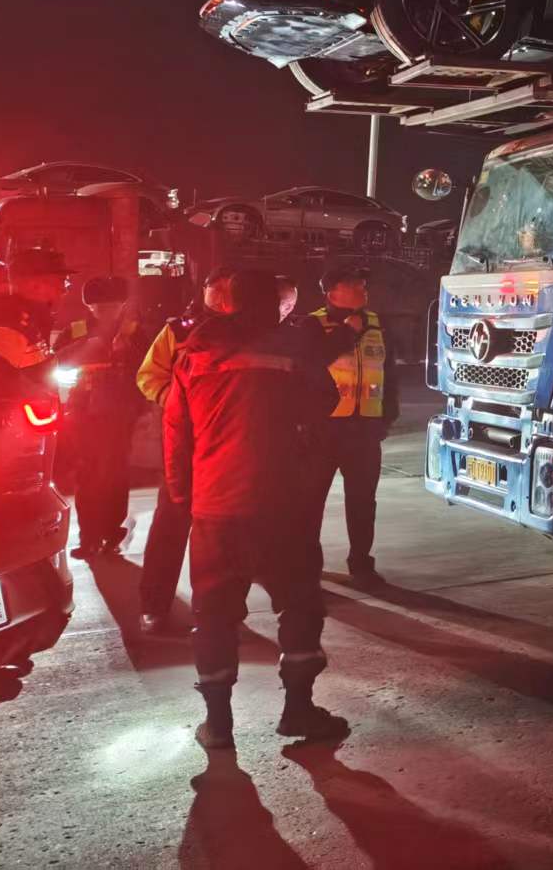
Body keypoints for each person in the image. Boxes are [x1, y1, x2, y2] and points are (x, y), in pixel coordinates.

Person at [164, 268, 343, 750]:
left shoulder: (193, 352)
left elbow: (176, 432)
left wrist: (184, 495)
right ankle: (298, 709)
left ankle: (218, 724)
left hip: (216, 506)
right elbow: (325, 400)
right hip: (283, 502)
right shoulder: (293, 349)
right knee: (299, 604)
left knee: (214, 615)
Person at [133, 266, 236, 635]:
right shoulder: (178, 330)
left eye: (228, 289)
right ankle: (154, 605)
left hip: (229, 444)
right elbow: (148, 376)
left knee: (221, 534)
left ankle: (214, 612)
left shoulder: (249, 330)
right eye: (214, 288)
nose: (221, 297)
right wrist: (177, 404)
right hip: (184, 443)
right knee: (171, 524)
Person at [305, 264, 398, 587]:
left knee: (362, 501)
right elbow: (310, 364)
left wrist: (386, 418)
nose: (362, 289)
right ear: (332, 293)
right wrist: (347, 332)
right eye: (353, 285)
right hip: (324, 430)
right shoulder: (312, 325)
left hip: (365, 431)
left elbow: (390, 374)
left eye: (362, 284)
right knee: (311, 502)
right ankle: (308, 566)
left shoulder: (377, 324)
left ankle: (361, 563)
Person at [56, 277, 146, 559]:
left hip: (120, 413)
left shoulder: (134, 333)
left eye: (113, 306)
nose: (106, 312)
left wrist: (127, 350)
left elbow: (149, 367)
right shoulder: (75, 331)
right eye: (100, 307)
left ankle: (111, 531)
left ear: (123, 305)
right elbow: (55, 361)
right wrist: (86, 347)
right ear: (89, 306)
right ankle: (89, 536)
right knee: (88, 473)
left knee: (116, 472)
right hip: (84, 414)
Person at [0, 247, 73, 369]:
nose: (64, 290)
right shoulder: (8, 326)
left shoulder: (33, 322)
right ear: (34, 286)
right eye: (61, 281)